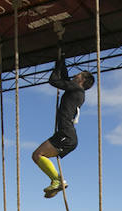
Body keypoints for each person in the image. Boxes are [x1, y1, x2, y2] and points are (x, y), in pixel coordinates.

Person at [31, 55, 95, 198]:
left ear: (82, 79)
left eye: (78, 74)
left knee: (37, 155)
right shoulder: (77, 91)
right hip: (66, 135)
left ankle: (57, 180)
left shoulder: (77, 89)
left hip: (66, 135)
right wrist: (61, 58)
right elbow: (64, 79)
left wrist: (58, 66)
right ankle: (56, 180)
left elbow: (54, 80)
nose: (75, 75)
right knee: (37, 155)